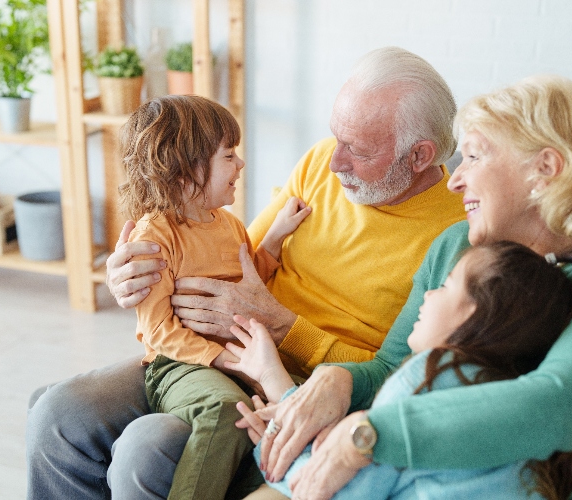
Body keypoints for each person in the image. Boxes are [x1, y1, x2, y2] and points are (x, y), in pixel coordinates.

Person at [26, 47, 466, 499]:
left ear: (419, 156)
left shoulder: (456, 236)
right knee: (58, 412)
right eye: (337, 138)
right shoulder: (321, 164)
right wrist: (136, 275)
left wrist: (284, 327)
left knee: (146, 449)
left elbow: (405, 378)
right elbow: (235, 255)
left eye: (357, 150)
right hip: (210, 349)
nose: (336, 163)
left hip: (300, 385)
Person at [250, 75, 572, 500]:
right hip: (406, 479)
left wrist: (369, 433)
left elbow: (559, 407)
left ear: (545, 170)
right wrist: (338, 381)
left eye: (474, 156)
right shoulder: (454, 246)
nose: (454, 180)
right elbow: (393, 369)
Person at [230, 240, 572, 500]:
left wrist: (277, 444)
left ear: (473, 312)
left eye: (444, 286)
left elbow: (333, 490)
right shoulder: (511, 397)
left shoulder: (431, 372)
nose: (427, 294)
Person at [117, 95, 312, 500]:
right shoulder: (155, 235)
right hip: (179, 364)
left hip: (234, 359)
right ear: (187, 170)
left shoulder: (230, 225)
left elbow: (247, 284)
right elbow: (158, 332)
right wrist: (224, 358)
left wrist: (275, 236)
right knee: (225, 410)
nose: (240, 164)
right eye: (229, 155)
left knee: (295, 401)